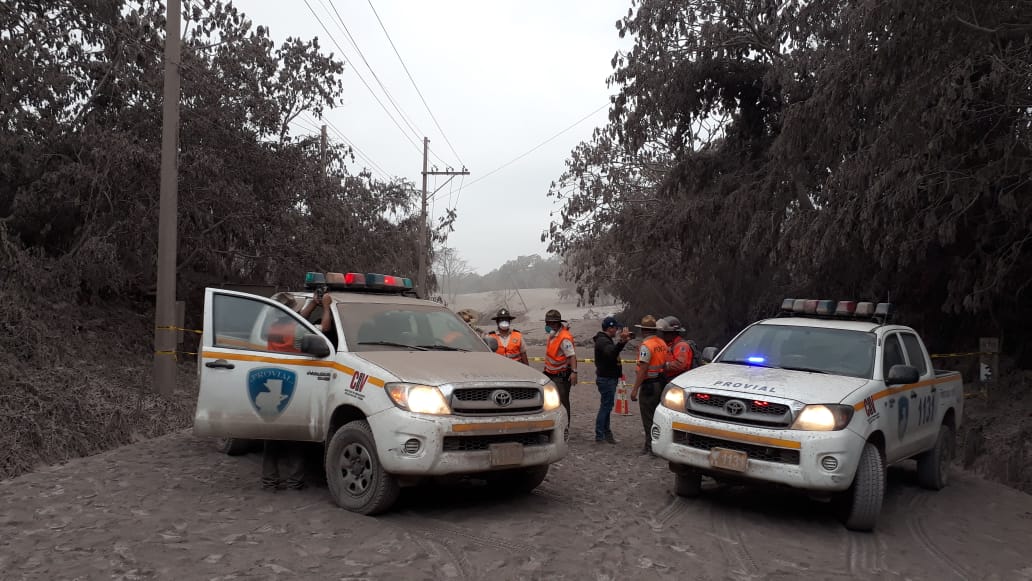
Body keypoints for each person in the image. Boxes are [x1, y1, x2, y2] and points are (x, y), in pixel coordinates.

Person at [630, 315, 668, 455]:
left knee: (648, 416)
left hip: (649, 385)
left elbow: (643, 369)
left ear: (643, 331)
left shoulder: (646, 346)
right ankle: (659, 443)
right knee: (658, 416)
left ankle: (650, 445)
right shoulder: (662, 343)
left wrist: (635, 389)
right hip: (661, 382)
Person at [593, 316, 632, 443]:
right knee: (606, 406)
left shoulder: (604, 340)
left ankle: (605, 433)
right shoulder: (603, 341)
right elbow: (611, 354)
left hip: (608, 378)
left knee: (607, 406)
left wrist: (622, 341)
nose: (617, 330)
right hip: (607, 379)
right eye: (616, 328)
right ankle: (600, 434)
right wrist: (621, 342)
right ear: (610, 328)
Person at [543, 309, 577, 423]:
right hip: (550, 374)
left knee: (562, 402)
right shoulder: (553, 335)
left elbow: (572, 356)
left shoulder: (564, 338)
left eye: (550, 323)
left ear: (556, 323)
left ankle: (565, 426)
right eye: (547, 323)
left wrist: (574, 372)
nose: (547, 325)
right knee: (550, 402)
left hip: (561, 376)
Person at [660, 316, 694, 380]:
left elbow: (679, 365)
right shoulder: (671, 345)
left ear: (672, 333)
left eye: (665, 333)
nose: (663, 335)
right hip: (670, 378)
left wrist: (663, 365)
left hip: (678, 379)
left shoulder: (681, 345)